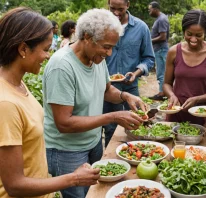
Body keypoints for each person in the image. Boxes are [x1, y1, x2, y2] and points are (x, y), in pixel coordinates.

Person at [43, 9, 146, 198]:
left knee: (97, 192)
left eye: (113, 47)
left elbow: (106, 90)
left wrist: (125, 96)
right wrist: (113, 116)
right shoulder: (62, 66)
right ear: (87, 37)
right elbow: (64, 123)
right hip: (67, 151)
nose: (109, 53)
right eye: (106, 47)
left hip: (93, 142)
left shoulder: (96, 59)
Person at [0, 7, 100, 198]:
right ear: (23, 49)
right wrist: (75, 178)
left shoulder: (18, 84)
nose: (48, 56)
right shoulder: (6, 104)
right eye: (45, 49)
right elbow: (14, 185)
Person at [163, 9, 206, 133]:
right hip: (177, 112)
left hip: (204, 113)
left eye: (199, 35)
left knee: (205, 150)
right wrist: (172, 95)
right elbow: (166, 84)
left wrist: (197, 99)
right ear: (183, 31)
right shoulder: (174, 52)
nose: (193, 39)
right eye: (189, 34)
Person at [103, 0, 155, 147]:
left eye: (120, 9)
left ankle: (132, 156)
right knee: (110, 128)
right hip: (105, 88)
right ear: (108, 3)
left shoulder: (141, 28)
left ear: (128, 5)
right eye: (112, 8)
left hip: (130, 88)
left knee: (135, 125)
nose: (116, 13)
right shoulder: (102, 26)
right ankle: (111, 162)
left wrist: (136, 72)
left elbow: (149, 58)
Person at [147, 1, 169, 101]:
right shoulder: (159, 19)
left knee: (162, 72)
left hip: (161, 50)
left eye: (150, 9)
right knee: (161, 72)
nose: (149, 11)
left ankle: (162, 93)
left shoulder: (162, 19)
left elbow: (163, 37)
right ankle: (163, 92)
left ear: (155, 9)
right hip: (159, 50)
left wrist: (149, 40)